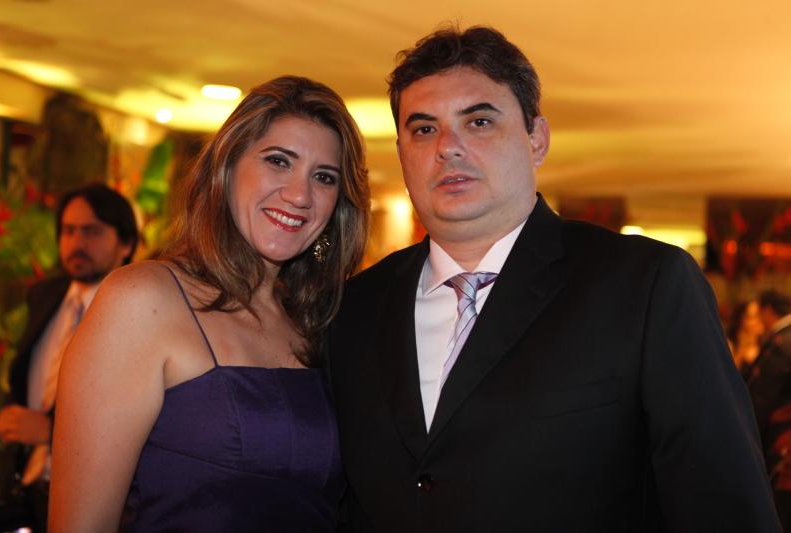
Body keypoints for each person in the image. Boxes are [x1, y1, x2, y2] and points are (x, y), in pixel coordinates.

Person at [329, 26, 780, 532]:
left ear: (536, 139)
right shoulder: (353, 309)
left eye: (479, 121)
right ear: (402, 153)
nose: (448, 147)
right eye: (424, 129)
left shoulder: (644, 286)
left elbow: (724, 506)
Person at [48, 76, 369, 532]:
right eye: (278, 161)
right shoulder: (143, 300)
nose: (300, 195)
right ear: (227, 168)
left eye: (324, 177)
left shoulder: (321, 321)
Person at [0, 183, 137, 533]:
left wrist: (52, 431)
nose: (77, 243)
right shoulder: (46, 295)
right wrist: (12, 415)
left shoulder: (138, 314)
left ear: (126, 244)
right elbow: (27, 373)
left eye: (92, 231)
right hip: (28, 490)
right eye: (69, 231)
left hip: (96, 503)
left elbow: (138, 417)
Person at [747, 289, 791, 530]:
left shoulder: (782, 342)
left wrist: (749, 439)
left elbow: (762, 399)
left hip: (780, 444)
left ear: (767, 311)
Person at [727, 299, 765, 376]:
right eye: (753, 317)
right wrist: (741, 353)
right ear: (740, 320)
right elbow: (727, 374)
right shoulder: (730, 344)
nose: (759, 320)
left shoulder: (768, 342)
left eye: (760, 315)